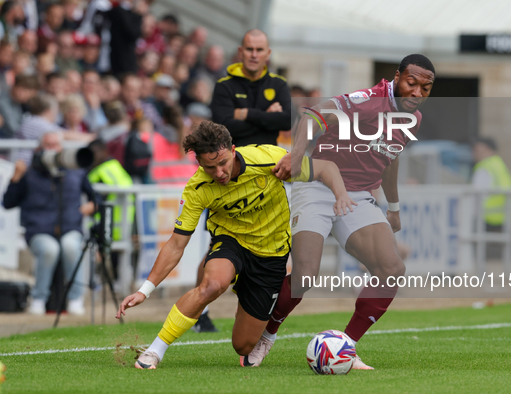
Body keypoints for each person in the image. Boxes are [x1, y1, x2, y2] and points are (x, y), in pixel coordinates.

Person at [244, 54, 436, 370]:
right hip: (318, 185)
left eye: (425, 88)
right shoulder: (366, 101)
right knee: (305, 276)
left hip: (358, 197)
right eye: (411, 83)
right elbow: (312, 117)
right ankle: (268, 334)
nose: (416, 93)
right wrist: (296, 154)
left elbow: (391, 157)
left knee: (392, 270)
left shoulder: (412, 117)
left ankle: (344, 347)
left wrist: (394, 207)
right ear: (397, 76)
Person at [116, 120, 356, 369]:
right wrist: (144, 290)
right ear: (199, 163)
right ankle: (155, 351)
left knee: (243, 346)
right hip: (231, 242)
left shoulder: (268, 158)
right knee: (211, 285)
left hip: (271, 252)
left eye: (223, 163)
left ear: (232, 151)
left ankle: (259, 320)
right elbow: (176, 245)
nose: (219, 173)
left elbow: (326, 168)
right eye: (210, 167)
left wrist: (341, 196)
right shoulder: (197, 188)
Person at [2, 131, 96, 315]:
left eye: (56, 145)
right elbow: (8, 203)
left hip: (70, 227)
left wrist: (93, 205)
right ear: (39, 149)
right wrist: (15, 178)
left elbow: (96, 197)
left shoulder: (75, 170)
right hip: (39, 229)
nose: (52, 149)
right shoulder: (29, 174)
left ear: (62, 148)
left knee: (70, 246)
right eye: (48, 145)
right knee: (49, 249)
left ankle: (75, 299)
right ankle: (39, 298)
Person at [210, 29, 290, 147]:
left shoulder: (279, 84)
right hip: (235, 160)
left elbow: (288, 121)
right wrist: (267, 116)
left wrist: (247, 114)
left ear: (268, 54)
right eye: (249, 49)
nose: (254, 55)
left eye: (259, 50)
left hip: (269, 160)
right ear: (240, 52)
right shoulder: (224, 85)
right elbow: (223, 129)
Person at [87, 139, 134, 280]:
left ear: (104, 152)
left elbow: (101, 197)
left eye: (94, 153)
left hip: (105, 224)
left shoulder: (102, 171)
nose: (92, 157)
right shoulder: (115, 167)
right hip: (122, 224)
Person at [471, 137, 511, 231]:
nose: (475, 153)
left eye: (478, 150)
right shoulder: (499, 164)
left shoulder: (484, 168)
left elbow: (476, 194)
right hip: (502, 217)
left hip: (485, 217)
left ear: (488, 149)